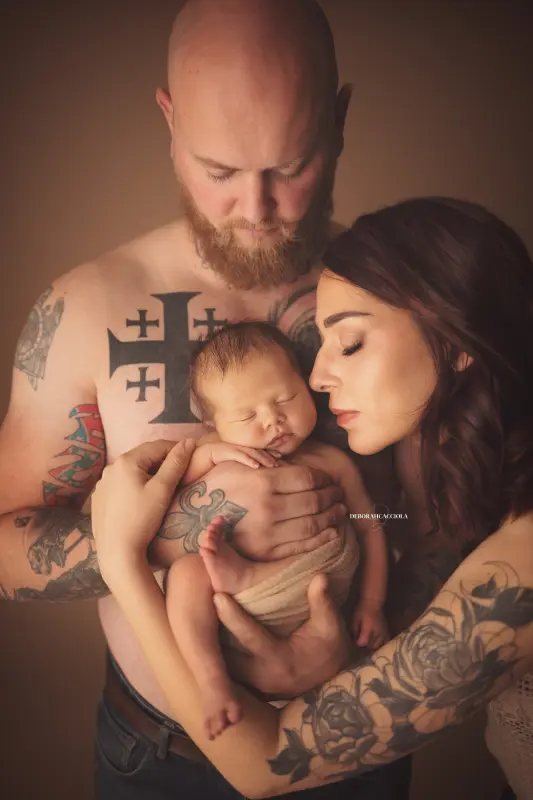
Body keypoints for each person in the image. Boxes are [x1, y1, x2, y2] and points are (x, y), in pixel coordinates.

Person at [0, 1, 417, 798]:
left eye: (289, 167)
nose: (255, 210)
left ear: (338, 124)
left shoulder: (399, 293)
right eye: (219, 172)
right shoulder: (86, 309)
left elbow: (440, 517)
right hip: (164, 761)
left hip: (358, 742)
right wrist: (174, 535)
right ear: (169, 121)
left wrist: (361, 550)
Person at [92, 196, 533, 799]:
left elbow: (265, 763)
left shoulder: (520, 573)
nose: (318, 379)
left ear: (459, 343)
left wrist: (122, 561)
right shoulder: (486, 490)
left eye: (348, 343)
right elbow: (387, 519)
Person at [166, 320, 388, 739]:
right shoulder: (214, 454)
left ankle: (244, 574)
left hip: (314, 594)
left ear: (306, 385)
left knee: (340, 544)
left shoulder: (332, 462)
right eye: (247, 415)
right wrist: (209, 455)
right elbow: (167, 490)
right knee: (185, 574)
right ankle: (211, 680)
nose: (273, 420)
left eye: (286, 398)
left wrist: (372, 603)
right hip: (240, 610)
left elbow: (373, 529)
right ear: (214, 425)